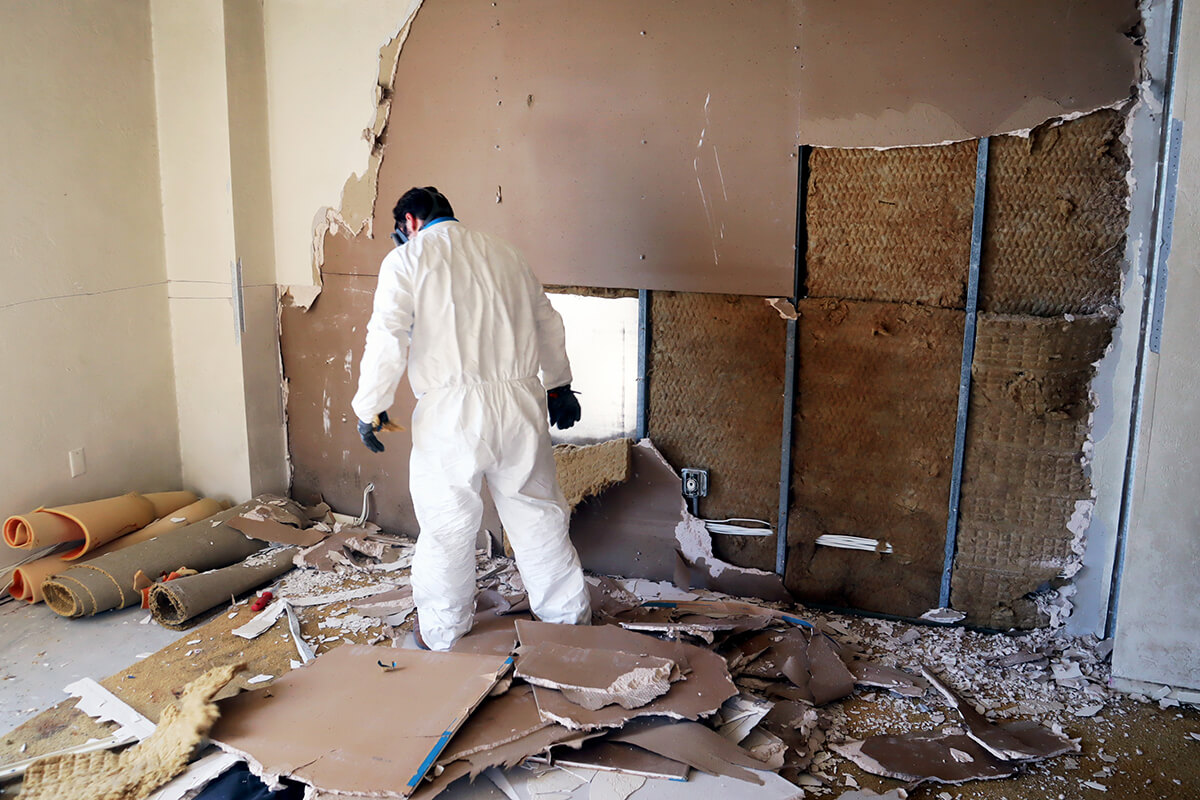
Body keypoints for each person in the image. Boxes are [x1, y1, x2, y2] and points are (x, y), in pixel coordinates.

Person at [351, 186, 591, 651]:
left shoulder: (407, 260)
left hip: (451, 413)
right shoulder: (507, 254)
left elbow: (387, 336)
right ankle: (568, 623)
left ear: (410, 222)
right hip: (520, 403)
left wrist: (370, 407)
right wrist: (559, 384)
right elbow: (548, 321)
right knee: (537, 513)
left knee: (448, 525)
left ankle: (442, 633)